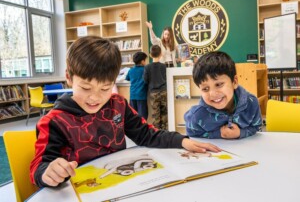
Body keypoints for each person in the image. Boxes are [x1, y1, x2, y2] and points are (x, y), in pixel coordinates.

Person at [29, 36, 221, 188]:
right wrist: (48, 172)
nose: (94, 98)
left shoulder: (118, 105)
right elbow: (39, 166)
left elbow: (146, 134)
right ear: (69, 78)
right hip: (83, 191)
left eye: (105, 89)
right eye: (86, 88)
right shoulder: (55, 121)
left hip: (122, 182)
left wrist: (182, 140)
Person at [184, 51, 262, 139]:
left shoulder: (252, 103)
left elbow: (256, 127)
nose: (213, 94)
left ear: (234, 82)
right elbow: (192, 135)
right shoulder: (197, 115)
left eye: (218, 84)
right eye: (205, 89)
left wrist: (241, 133)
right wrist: (218, 134)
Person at [144, 45, 168, 130]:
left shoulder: (147, 67)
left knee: (155, 114)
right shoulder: (164, 66)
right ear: (161, 54)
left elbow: (145, 80)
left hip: (153, 93)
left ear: (150, 55)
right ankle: (165, 132)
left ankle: (157, 133)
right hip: (164, 91)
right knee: (164, 113)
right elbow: (166, 78)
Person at [125, 51, 148, 120]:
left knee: (133, 116)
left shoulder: (131, 70)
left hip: (132, 96)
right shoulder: (145, 70)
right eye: (145, 60)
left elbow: (127, 78)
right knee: (142, 117)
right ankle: (142, 130)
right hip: (141, 96)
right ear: (142, 61)